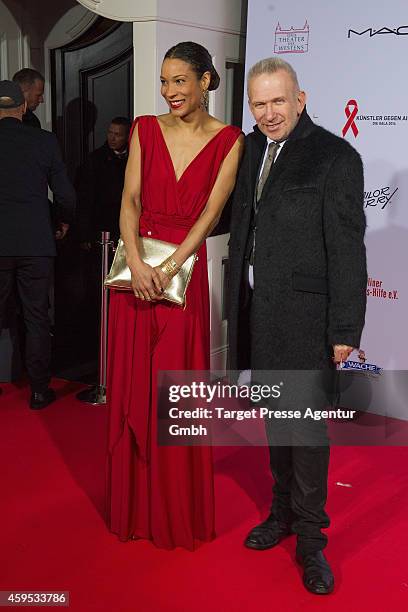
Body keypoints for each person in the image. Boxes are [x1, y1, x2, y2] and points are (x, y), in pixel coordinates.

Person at [228, 57, 367, 594]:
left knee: (306, 431)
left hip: (310, 321)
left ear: (300, 98)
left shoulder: (335, 156)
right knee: (274, 421)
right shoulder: (246, 150)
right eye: (259, 104)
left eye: (277, 101)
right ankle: (281, 513)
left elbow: (348, 251)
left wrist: (344, 331)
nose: (268, 113)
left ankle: (312, 542)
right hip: (260, 313)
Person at [106, 41, 243, 549]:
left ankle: (173, 510)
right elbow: (130, 199)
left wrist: (170, 265)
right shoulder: (145, 128)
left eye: (180, 81)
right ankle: (134, 510)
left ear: (206, 80)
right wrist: (138, 263)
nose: (170, 92)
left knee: (174, 388)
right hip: (137, 274)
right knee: (133, 384)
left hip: (183, 271)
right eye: (164, 82)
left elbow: (210, 215)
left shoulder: (230, 140)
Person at [0, 80, 76, 409]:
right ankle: (40, 391)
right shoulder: (43, 141)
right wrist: (62, 220)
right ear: (22, 107)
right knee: (36, 317)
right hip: (35, 242)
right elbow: (66, 196)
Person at [77, 117, 131, 247]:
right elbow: (85, 197)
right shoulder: (95, 160)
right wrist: (84, 233)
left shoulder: (135, 158)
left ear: (128, 136)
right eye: (110, 133)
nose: (112, 138)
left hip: (126, 222)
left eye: (117, 135)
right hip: (101, 225)